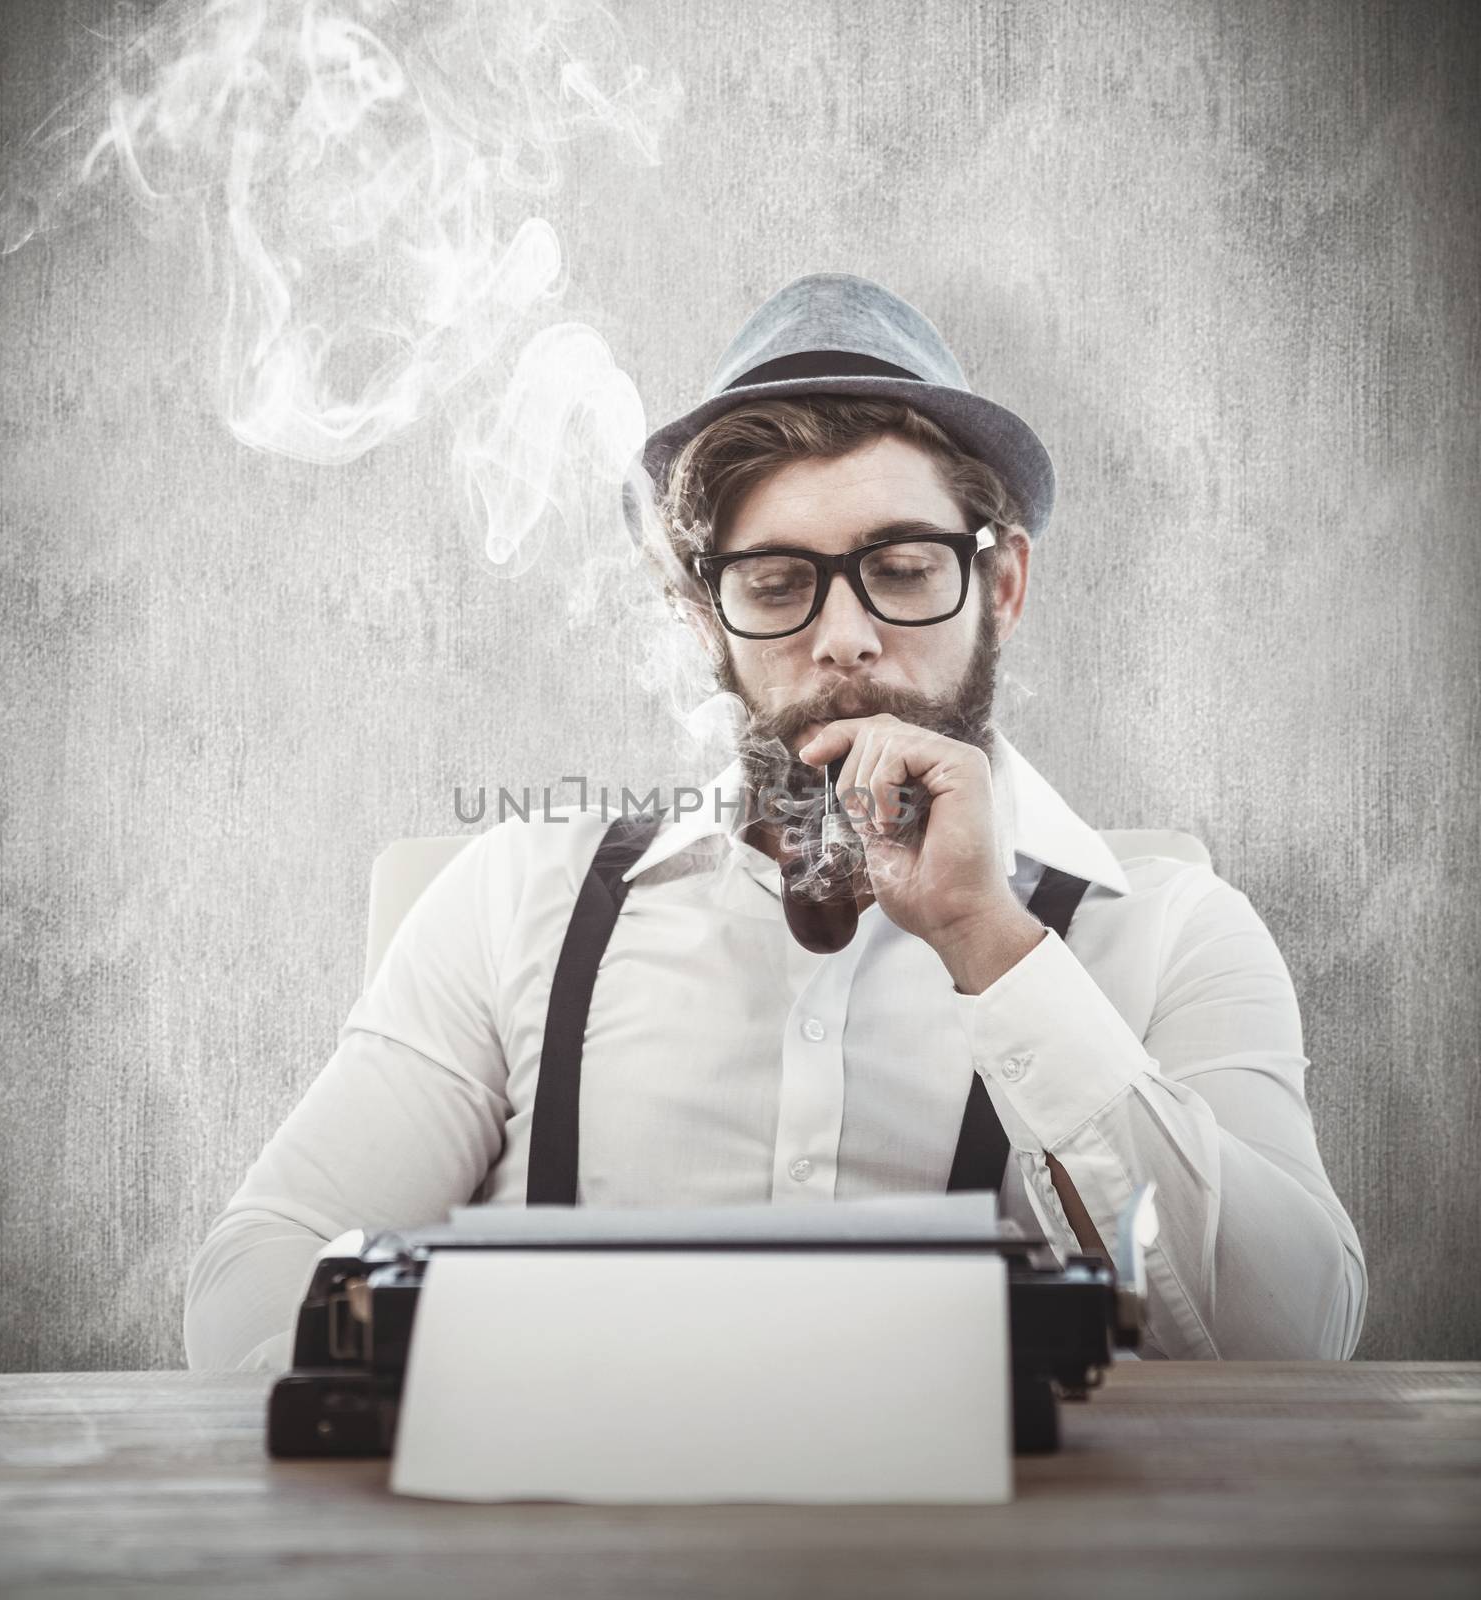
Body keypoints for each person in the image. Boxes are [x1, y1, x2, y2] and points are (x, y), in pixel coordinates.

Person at [184, 273, 1365, 1370]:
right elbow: (247, 1296)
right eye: (777, 581)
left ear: (999, 589)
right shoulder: (513, 903)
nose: (843, 636)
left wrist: (989, 943)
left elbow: (1298, 1342)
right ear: (704, 619)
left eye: (901, 567)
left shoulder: (1173, 936)